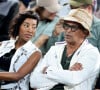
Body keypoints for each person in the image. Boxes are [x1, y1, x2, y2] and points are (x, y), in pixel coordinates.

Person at [30, 9, 100, 90]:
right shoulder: (54, 49)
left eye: (73, 27)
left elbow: (74, 79)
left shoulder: (91, 52)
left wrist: (48, 70)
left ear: (85, 32)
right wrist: (66, 75)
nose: (68, 31)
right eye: (66, 26)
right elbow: (34, 81)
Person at [0, 10, 41, 90]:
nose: (30, 30)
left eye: (34, 27)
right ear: (18, 26)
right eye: (26, 26)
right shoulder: (3, 44)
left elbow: (17, 76)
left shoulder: (35, 53)